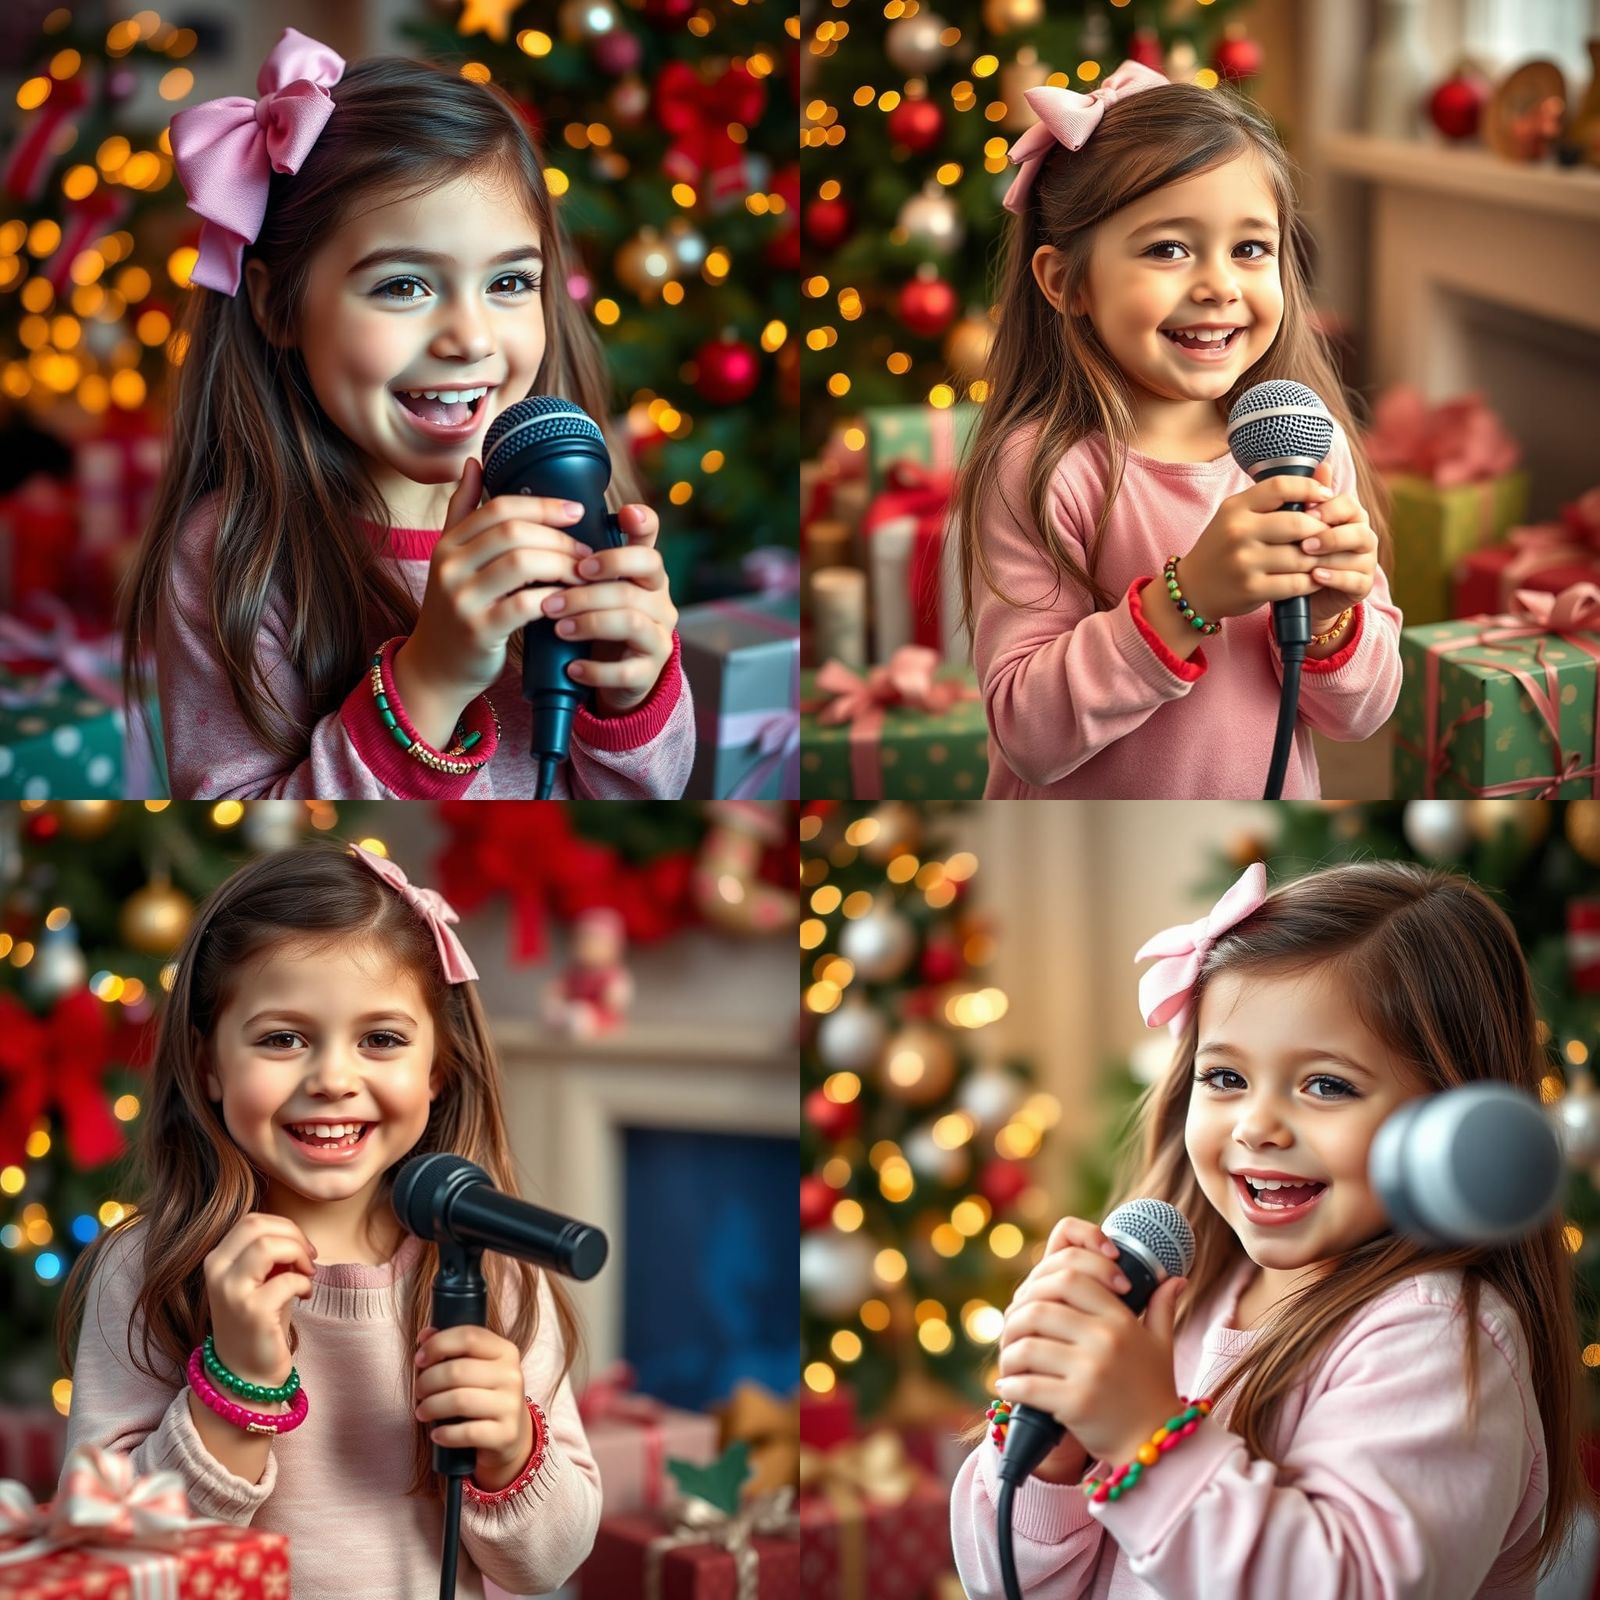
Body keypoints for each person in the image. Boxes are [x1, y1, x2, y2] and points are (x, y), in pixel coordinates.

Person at [952, 860, 1595, 1597]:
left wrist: (1144, 1439)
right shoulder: (1183, 1298)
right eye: (1225, 1078)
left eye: (1326, 1084)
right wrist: (1051, 1461)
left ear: (1450, 1125)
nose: (1257, 1126)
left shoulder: (1439, 1338)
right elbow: (1007, 1583)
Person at [121, 29, 691, 798]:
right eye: (403, 286)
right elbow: (244, 809)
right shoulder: (234, 559)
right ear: (277, 305)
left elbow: (646, 796)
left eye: (510, 284)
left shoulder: (575, 508)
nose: (471, 338)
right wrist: (431, 679)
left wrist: (631, 696)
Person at [55, 842, 599, 1597]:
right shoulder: (149, 1269)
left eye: (382, 1039)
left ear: (438, 1067)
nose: (334, 1079)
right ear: (208, 1064)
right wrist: (237, 1388)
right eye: (282, 1039)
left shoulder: (491, 1268)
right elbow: (108, 1563)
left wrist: (511, 1452)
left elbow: (549, 1564)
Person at [952, 62, 1402, 798]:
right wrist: (1186, 599)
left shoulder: (1305, 443)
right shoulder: (1039, 468)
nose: (1219, 285)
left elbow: (1363, 716)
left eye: (1250, 249)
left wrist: (1330, 621)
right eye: (1168, 248)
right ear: (1067, 282)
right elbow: (1028, 733)